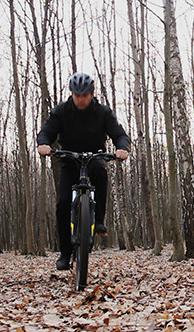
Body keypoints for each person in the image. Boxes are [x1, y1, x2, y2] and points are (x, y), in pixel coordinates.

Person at [37, 73, 130, 270]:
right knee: (63, 203)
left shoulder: (102, 112)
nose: (81, 99)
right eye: (77, 95)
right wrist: (43, 144)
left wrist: (122, 148)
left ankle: (98, 220)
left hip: (94, 156)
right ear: (72, 94)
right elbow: (46, 132)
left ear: (91, 94)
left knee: (100, 173)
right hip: (69, 159)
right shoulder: (61, 111)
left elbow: (119, 134)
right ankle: (64, 253)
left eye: (85, 95)